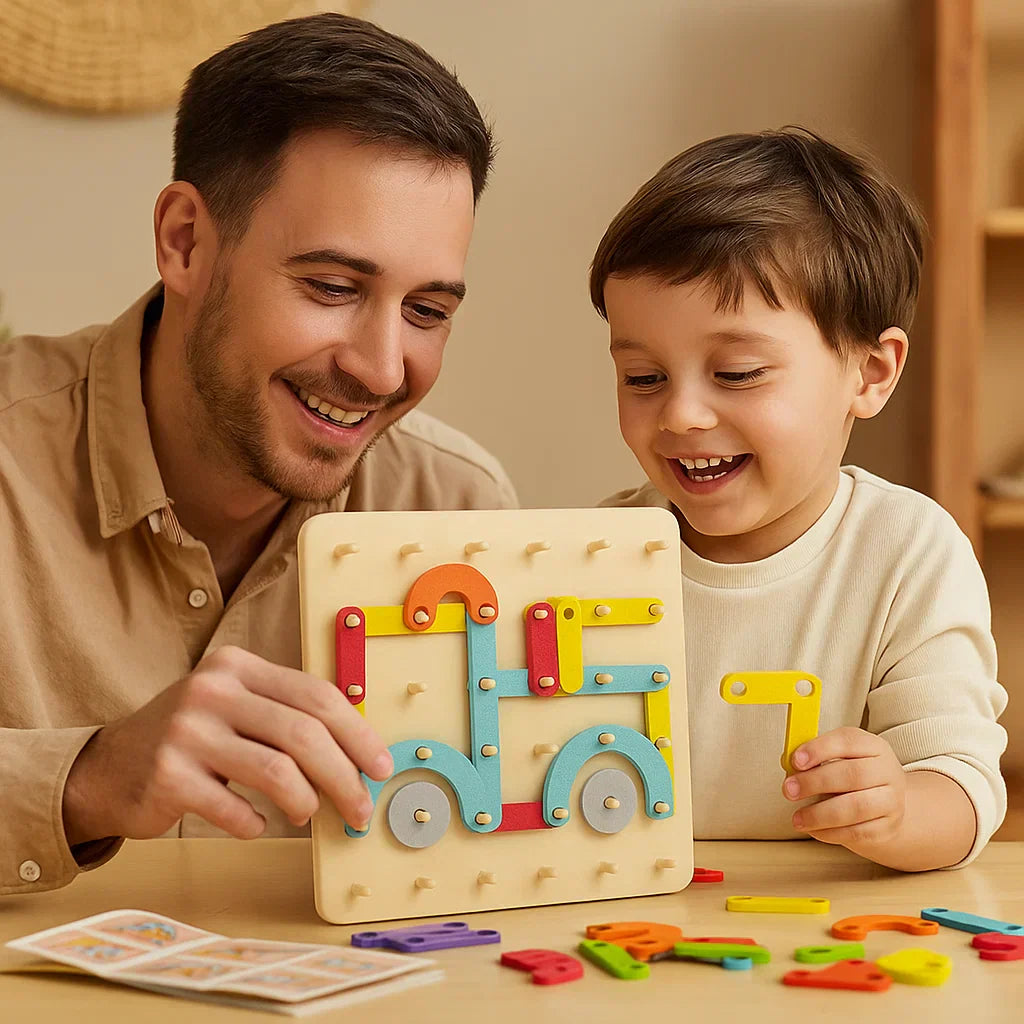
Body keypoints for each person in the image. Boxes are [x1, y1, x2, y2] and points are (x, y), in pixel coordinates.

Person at [0, 13, 517, 895]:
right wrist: (85, 779)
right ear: (186, 242)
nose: (382, 367)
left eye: (427, 311)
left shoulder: (460, 512)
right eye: (331, 287)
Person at [591, 127, 1007, 871]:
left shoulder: (909, 552)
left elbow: (965, 783)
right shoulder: (596, 553)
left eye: (739, 372)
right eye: (643, 378)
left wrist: (903, 808)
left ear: (871, 373)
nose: (681, 414)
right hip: (633, 928)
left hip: (824, 935)